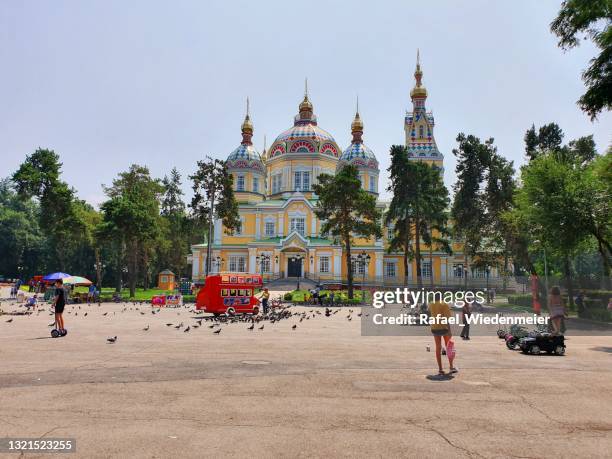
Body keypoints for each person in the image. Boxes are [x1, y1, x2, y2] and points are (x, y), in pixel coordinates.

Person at [429, 301, 457, 375]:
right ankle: (451, 367)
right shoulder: (444, 304)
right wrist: (449, 331)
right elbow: (447, 318)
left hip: (435, 328)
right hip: (444, 328)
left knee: (438, 348)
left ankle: (440, 369)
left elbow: (431, 315)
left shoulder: (431, 304)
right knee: (449, 347)